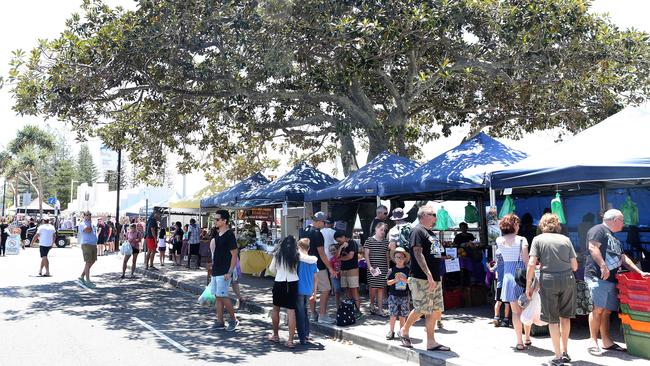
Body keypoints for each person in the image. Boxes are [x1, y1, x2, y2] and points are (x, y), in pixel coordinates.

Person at [585, 209, 649, 353]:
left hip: (612, 278)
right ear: (614, 220)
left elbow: (623, 258)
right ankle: (592, 341)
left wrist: (639, 272)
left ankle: (607, 342)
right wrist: (603, 266)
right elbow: (592, 247)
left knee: (607, 311)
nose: (624, 223)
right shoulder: (598, 229)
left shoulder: (614, 237)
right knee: (598, 309)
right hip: (598, 276)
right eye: (622, 220)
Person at [527, 213, 578, 366]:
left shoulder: (538, 239)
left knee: (552, 319)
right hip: (568, 279)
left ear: (542, 225)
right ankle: (565, 352)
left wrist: (529, 284)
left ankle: (557, 356)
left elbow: (531, 264)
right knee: (565, 317)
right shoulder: (566, 239)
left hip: (548, 280)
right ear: (557, 225)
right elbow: (575, 266)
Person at [399, 205, 449, 352]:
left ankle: (431, 342)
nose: (435, 217)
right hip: (422, 278)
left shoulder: (430, 233)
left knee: (434, 310)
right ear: (424, 215)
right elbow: (418, 253)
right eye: (433, 214)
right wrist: (428, 274)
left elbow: (433, 253)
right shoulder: (417, 230)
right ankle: (404, 330)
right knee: (421, 308)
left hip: (434, 278)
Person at [496, 214, 531, 351]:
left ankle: (519, 341)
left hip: (508, 277)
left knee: (515, 312)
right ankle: (527, 337)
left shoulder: (499, 240)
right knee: (526, 309)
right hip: (522, 277)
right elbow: (527, 262)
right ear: (514, 225)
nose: (519, 226)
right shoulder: (522, 239)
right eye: (517, 223)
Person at [209, 210, 239, 331]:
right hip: (217, 270)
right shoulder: (218, 234)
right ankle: (220, 320)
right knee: (218, 296)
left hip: (224, 271)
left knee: (223, 295)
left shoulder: (229, 235)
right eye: (215, 219)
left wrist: (230, 271)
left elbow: (234, 254)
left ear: (224, 220)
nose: (215, 221)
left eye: (217, 219)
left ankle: (234, 319)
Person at [268, 235, 300, 348]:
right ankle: (290, 341)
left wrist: (278, 273)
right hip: (293, 282)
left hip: (279, 281)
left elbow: (271, 269)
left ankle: (275, 335)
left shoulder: (277, 254)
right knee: (291, 311)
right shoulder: (296, 255)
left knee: (276, 309)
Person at [305, 212, 336, 324]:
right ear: (319, 221)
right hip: (318, 266)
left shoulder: (305, 231)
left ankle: (313, 314)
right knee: (326, 289)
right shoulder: (317, 233)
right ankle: (322, 315)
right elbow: (322, 253)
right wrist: (331, 268)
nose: (325, 224)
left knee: (312, 291)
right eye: (324, 222)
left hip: (307, 265)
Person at [335, 230, 362, 319]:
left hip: (352, 269)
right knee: (346, 290)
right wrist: (341, 247)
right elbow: (336, 257)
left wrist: (340, 259)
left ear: (343, 236)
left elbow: (350, 256)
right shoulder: (341, 245)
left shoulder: (352, 243)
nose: (339, 242)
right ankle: (350, 308)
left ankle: (358, 310)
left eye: (339, 240)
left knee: (354, 289)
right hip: (343, 270)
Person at [296, 238, 318, 345]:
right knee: (305, 311)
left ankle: (302, 336)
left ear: (299, 247)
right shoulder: (313, 260)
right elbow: (315, 278)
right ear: (308, 248)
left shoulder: (298, 260)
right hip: (309, 289)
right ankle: (306, 333)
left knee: (299, 312)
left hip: (299, 289)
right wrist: (314, 293)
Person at [364, 222, 389, 316]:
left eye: (384, 230)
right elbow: (366, 255)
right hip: (373, 268)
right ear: (376, 229)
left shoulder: (386, 241)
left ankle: (380, 309)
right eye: (381, 229)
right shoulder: (369, 240)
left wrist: (388, 267)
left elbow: (387, 255)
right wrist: (370, 267)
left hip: (383, 268)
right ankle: (371, 304)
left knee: (381, 288)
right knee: (373, 288)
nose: (383, 232)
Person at [386, 247, 410, 340]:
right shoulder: (391, 270)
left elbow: (410, 281)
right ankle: (391, 331)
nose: (399, 259)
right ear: (394, 259)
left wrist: (404, 279)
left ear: (404, 259)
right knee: (392, 314)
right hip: (393, 295)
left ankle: (402, 331)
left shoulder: (408, 270)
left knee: (403, 315)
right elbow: (387, 282)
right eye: (397, 257)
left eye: (401, 257)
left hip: (404, 295)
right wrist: (395, 280)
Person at [489, 250, 511, 327]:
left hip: (500, 285)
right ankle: (506, 319)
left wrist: (489, 266)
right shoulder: (508, 263)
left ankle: (496, 318)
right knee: (506, 303)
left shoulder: (498, 263)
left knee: (498, 302)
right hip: (507, 285)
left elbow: (491, 270)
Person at [77, 211, 98, 287]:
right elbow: (88, 230)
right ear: (84, 216)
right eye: (87, 215)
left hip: (93, 244)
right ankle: (88, 280)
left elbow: (95, 231)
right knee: (88, 262)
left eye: (90, 215)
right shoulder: (83, 224)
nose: (88, 216)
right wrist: (91, 224)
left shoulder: (92, 223)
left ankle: (82, 276)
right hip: (86, 244)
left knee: (93, 261)